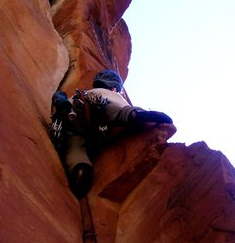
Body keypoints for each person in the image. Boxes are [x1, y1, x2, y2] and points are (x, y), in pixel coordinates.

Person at [50, 69, 172, 198]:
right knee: (117, 112)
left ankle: (80, 169)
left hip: (67, 121)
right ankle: (135, 114)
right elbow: (113, 108)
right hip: (89, 114)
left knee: (74, 147)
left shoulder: (86, 92)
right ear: (114, 87)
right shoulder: (107, 93)